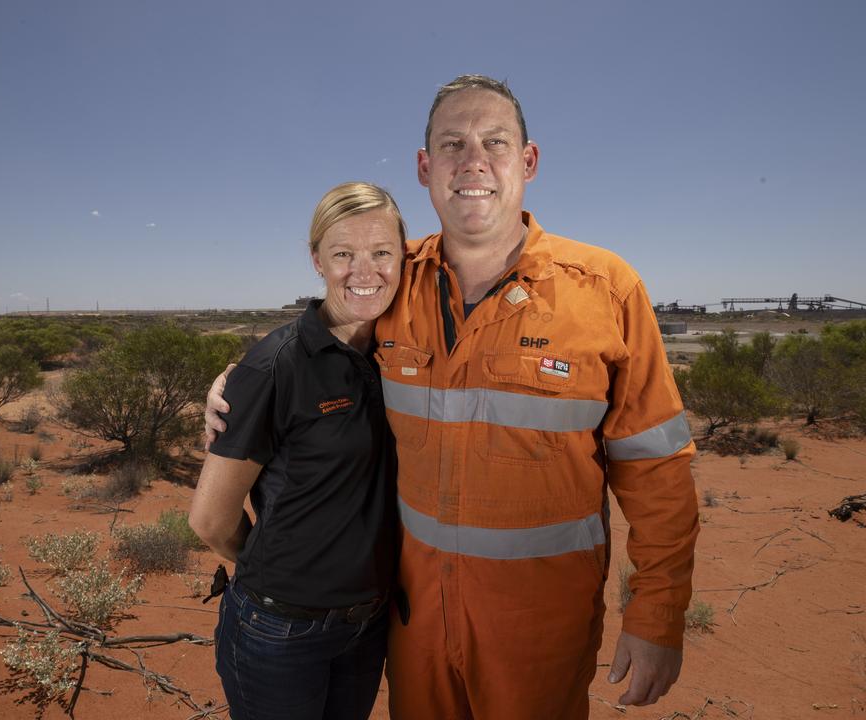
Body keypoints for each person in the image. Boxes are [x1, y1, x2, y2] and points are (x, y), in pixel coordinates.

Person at [208, 75, 699, 719]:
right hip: (415, 625)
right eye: (452, 144)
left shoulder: (604, 289)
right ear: (424, 167)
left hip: (540, 626)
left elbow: (657, 468)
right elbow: (307, 344)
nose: (474, 162)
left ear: (528, 162)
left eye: (495, 142)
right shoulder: (390, 281)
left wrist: (657, 616)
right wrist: (232, 383)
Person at [188, 181, 406, 720]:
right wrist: (283, 576)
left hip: (367, 625)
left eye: (382, 252)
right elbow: (211, 521)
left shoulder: (406, 353)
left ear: (405, 254)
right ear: (316, 260)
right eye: (342, 254)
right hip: (279, 632)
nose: (365, 270)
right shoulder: (274, 365)